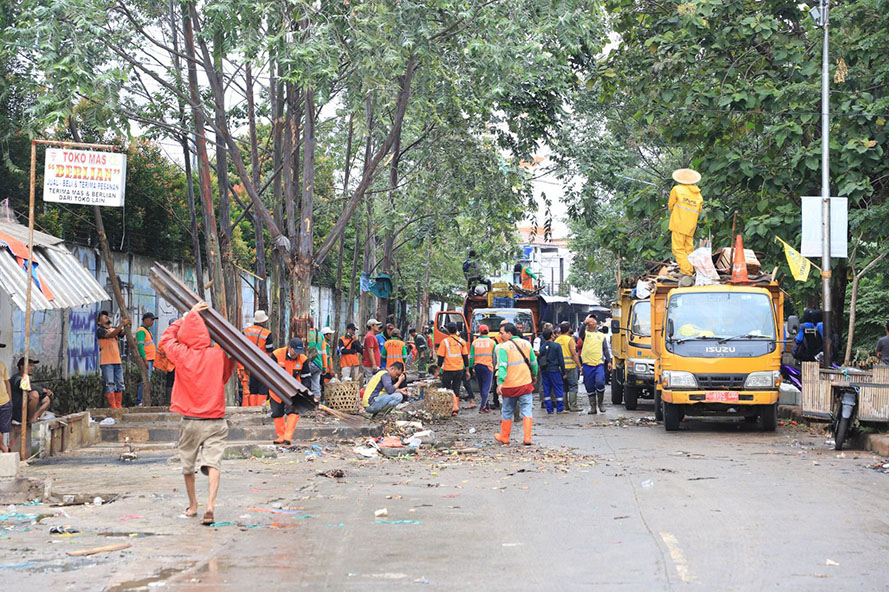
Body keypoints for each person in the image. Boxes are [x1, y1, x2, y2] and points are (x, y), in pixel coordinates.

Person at [159, 301, 235, 526]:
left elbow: (165, 339)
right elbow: (229, 368)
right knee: (214, 464)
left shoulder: (181, 353)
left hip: (191, 421)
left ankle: (193, 506)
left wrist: (185, 317)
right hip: (215, 420)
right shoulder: (217, 355)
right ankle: (211, 505)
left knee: (187, 466)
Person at [493, 322, 538, 445]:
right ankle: (527, 438)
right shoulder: (527, 344)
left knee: (507, 411)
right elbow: (534, 363)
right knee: (527, 410)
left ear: (509, 333)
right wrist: (534, 375)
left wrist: (500, 383)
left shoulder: (504, 347)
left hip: (509, 386)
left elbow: (502, 366)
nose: (500, 335)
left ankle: (505, 437)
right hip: (525, 384)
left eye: (502, 333)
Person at [269, 338, 310, 445]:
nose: (296, 354)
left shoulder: (303, 359)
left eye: (299, 352)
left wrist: (305, 392)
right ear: (289, 347)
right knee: (277, 412)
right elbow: (270, 373)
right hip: (277, 388)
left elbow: (306, 378)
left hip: (294, 390)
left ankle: (287, 437)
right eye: (294, 351)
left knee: (293, 411)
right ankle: (281, 436)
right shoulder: (277, 355)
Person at [668, 168, 703, 287]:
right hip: (691, 226)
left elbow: (670, 205)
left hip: (678, 223)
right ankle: (691, 268)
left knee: (677, 248)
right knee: (688, 249)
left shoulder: (677, 189)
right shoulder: (698, 194)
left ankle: (687, 271)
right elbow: (699, 209)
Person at [96, 310, 130, 409]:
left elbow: (122, 333)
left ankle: (118, 405)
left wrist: (127, 325)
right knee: (110, 384)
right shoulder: (100, 330)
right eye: (103, 317)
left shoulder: (113, 329)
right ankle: (113, 406)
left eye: (107, 316)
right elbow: (110, 335)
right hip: (107, 362)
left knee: (120, 383)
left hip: (117, 360)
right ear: (99, 322)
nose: (106, 317)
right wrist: (121, 324)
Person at [240, 310, 273, 406]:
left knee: (253, 386)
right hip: (263, 363)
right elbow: (269, 349)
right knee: (263, 386)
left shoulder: (246, 331)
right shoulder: (267, 333)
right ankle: (260, 407)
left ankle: (252, 406)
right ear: (263, 322)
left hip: (250, 362)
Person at [581, 315, 611, 414]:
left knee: (600, 382)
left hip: (599, 364)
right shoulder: (585, 334)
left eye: (594, 321)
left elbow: (605, 349)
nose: (593, 322)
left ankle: (601, 403)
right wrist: (584, 322)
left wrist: (609, 361)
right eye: (591, 321)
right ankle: (592, 406)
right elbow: (581, 332)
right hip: (587, 364)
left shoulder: (601, 335)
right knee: (589, 386)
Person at [10, 357, 54, 426]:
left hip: (25, 407)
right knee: (34, 394)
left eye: (32, 366)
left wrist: (45, 392)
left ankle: (34, 417)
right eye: (29, 365)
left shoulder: (26, 378)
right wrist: (42, 390)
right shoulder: (17, 378)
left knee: (46, 399)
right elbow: (28, 387)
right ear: (21, 367)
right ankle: (30, 418)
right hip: (18, 411)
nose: (32, 368)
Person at [437, 322, 467, 416]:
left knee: (446, 388)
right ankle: (455, 408)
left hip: (448, 369)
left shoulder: (444, 342)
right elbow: (465, 357)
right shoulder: (462, 342)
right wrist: (467, 370)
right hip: (459, 369)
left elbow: (440, 358)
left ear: (447, 330)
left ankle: (447, 407)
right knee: (456, 388)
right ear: (457, 330)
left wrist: (438, 369)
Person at [469, 324, 497, 413]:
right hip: (488, 367)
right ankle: (483, 406)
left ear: (480, 332)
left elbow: (472, 357)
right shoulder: (492, 342)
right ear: (488, 331)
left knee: (481, 387)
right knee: (486, 388)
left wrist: (470, 367)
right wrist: (496, 366)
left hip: (477, 366)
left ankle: (487, 405)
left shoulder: (475, 342)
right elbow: (494, 357)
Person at [555, 322, 582, 412]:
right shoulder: (570, 340)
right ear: (568, 330)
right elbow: (574, 354)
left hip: (560, 368)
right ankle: (573, 406)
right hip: (570, 366)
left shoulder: (557, 340)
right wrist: (580, 366)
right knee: (573, 386)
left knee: (563, 387)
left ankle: (565, 405)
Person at [539, 327, 566, 414]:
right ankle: (560, 408)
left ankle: (549, 409)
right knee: (558, 388)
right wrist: (564, 372)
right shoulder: (556, 346)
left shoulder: (542, 347)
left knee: (546, 389)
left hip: (544, 371)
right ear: (551, 335)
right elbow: (561, 360)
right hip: (554, 370)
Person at [135, 312, 157, 406]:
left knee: (147, 380)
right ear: (145, 320)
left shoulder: (147, 330)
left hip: (150, 359)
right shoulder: (141, 331)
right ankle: (140, 401)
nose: (152, 322)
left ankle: (143, 400)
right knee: (145, 380)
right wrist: (145, 359)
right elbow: (140, 346)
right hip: (147, 359)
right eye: (151, 319)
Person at [306, 320, 328, 403]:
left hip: (308, 363)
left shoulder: (305, 333)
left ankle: (306, 402)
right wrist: (324, 366)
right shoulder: (320, 335)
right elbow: (324, 352)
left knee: (305, 382)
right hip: (318, 364)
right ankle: (316, 404)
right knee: (316, 384)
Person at [0, 345, 10, 453]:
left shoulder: (2, 364)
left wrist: (9, 399)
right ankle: (4, 447)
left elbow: (7, 381)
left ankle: (3, 450)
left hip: (4, 401)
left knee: (2, 429)